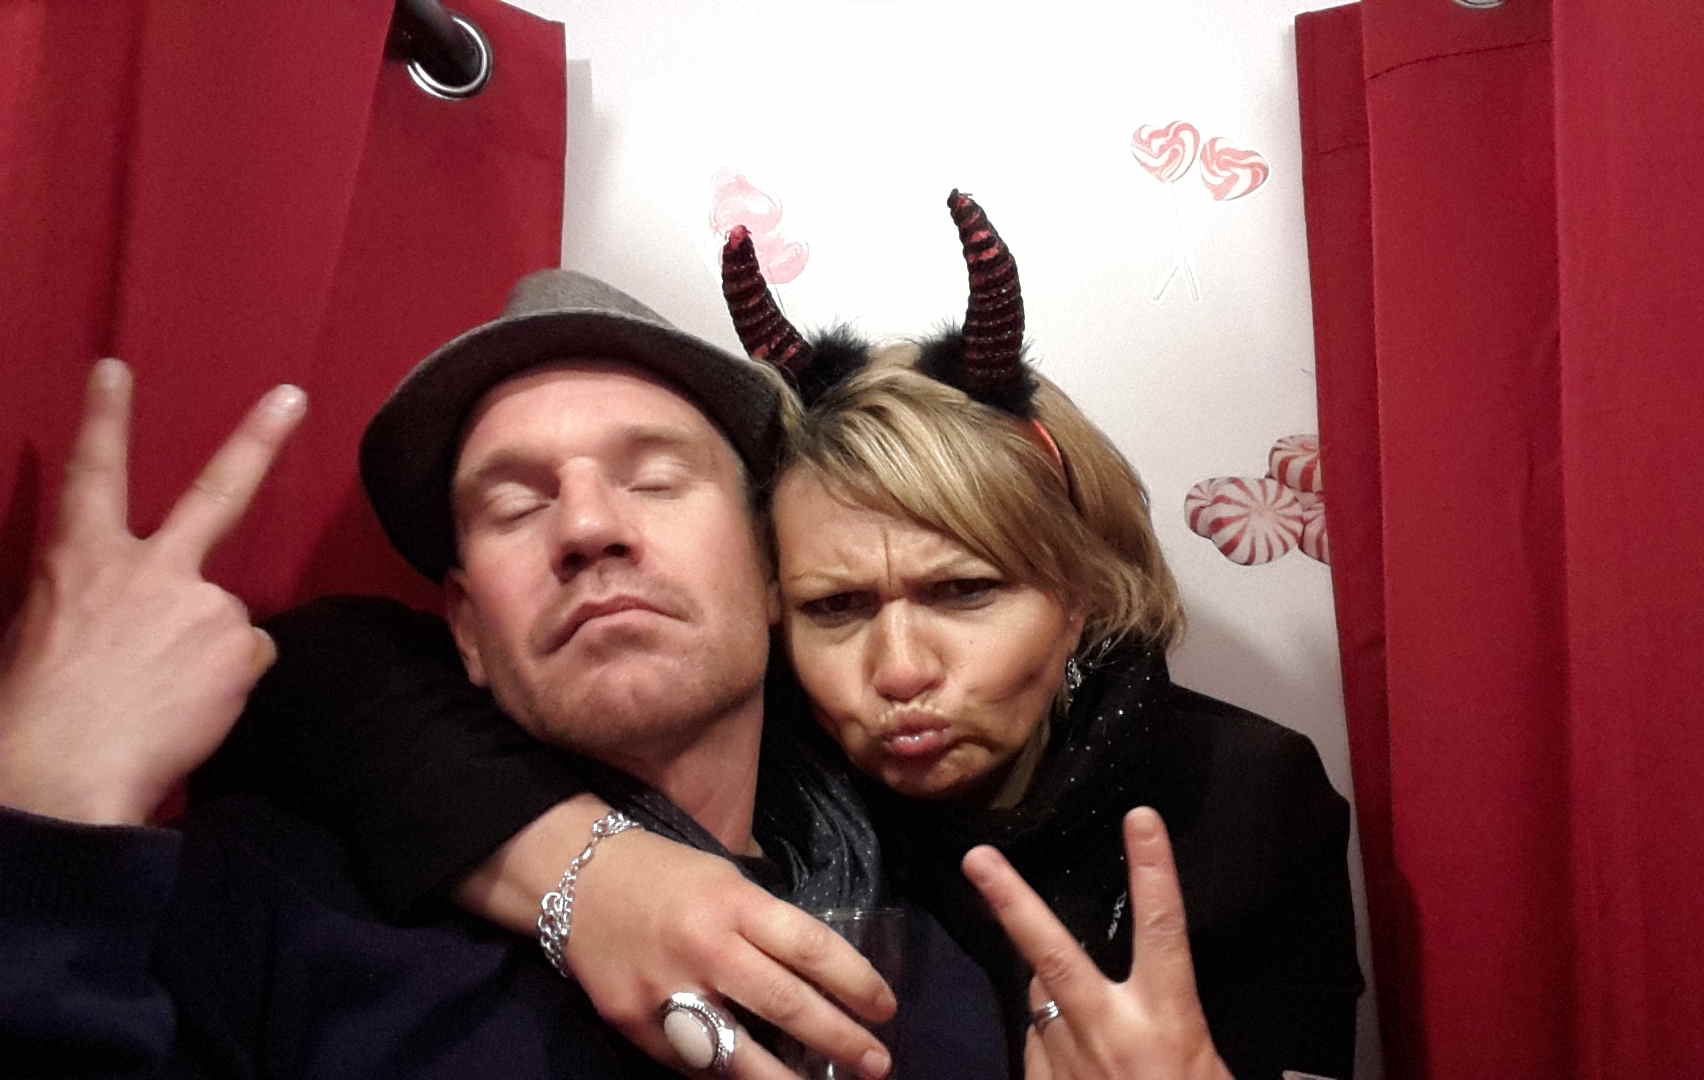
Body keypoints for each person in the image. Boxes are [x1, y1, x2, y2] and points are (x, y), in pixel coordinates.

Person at [218, 193, 1364, 1078]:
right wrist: (588, 874)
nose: (899, 672)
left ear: (1080, 594)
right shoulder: (765, 736)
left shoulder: (1243, 794)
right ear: (772, 597)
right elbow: (320, 671)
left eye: (965, 591)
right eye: (836, 608)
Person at [0, 271, 1008, 1079]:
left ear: (773, 576)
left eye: (655, 479)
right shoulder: (270, 901)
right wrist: (47, 804)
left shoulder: (938, 983)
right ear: (468, 629)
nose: (587, 524)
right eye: (515, 507)